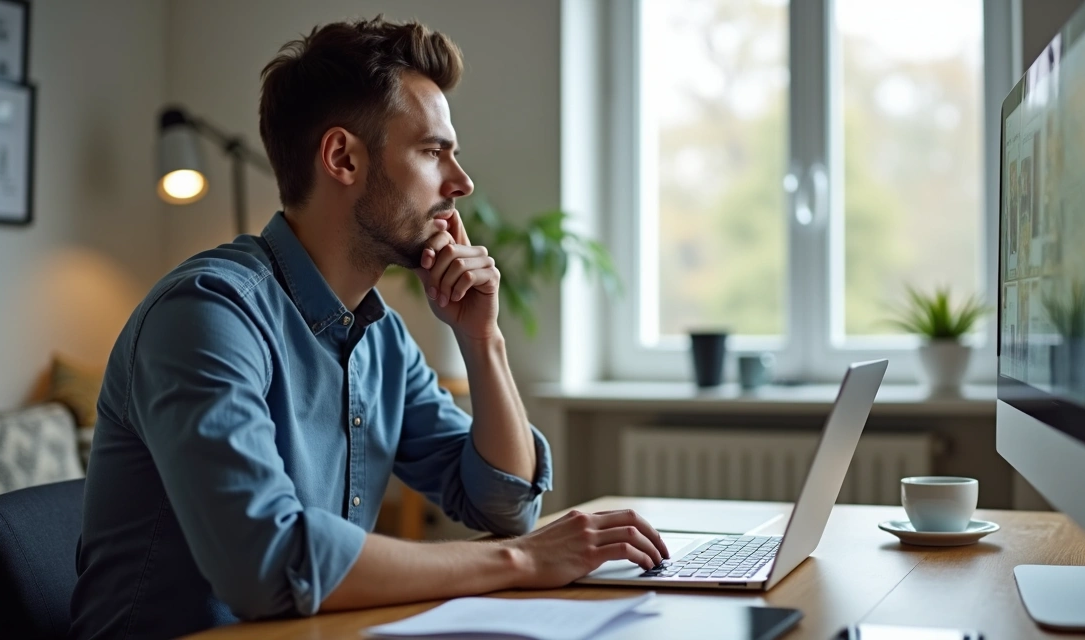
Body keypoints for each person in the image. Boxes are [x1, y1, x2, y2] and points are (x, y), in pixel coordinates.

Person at [68, 17, 669, 640]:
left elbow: (505, 503)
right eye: (434, 152)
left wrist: (481, 339)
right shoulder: (207, 315)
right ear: (343, 158)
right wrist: (522, 563)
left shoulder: (380, 339)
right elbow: (267, 564)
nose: (460, 183)